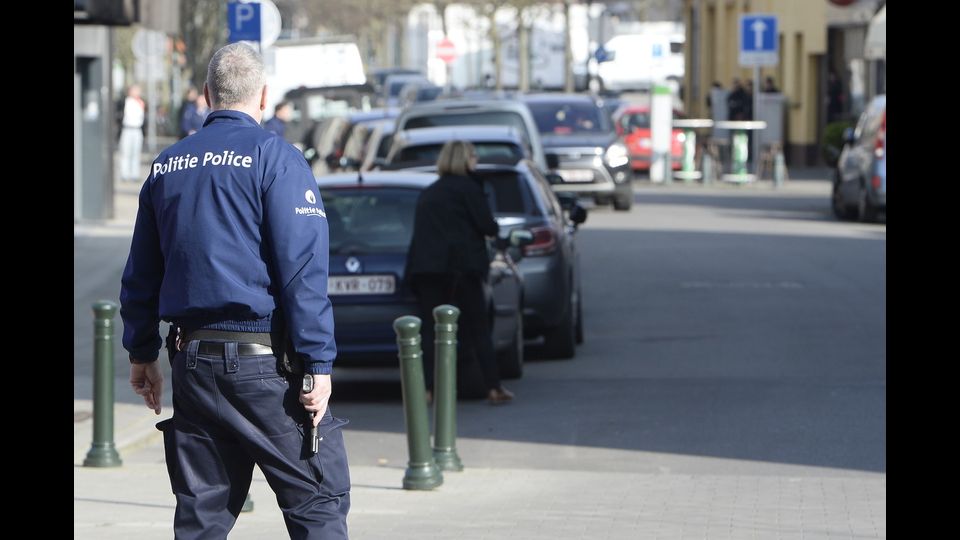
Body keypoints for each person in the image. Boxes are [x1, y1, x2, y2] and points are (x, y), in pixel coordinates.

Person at [119, 42, 350, 539]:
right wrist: (318, 364)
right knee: (318, 501)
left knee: (202, 517)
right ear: (264, 97)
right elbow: (302, 270)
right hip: (265, 365)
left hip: (193, 364)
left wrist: (141, 351)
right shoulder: (276, 159)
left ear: (205, 95)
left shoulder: (165, 166)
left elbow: (140, 272)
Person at [405, 140, 514, 405]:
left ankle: (428, 390)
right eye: (474, 156)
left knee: (430, 332)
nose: (476, 160)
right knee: (478, 328)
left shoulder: (429, 192)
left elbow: (420, 236)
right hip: (463, 270)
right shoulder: (470, 188)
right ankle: (493, 388)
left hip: (428, 270)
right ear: (465, 159)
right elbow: (487, 226)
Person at [119, 84, 145, 182]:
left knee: (136, 153)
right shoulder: (125, 101)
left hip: (137, 130)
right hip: (127, 129)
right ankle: (125, 174)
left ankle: (135, 174)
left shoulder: (141, 102)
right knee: (126, 152)